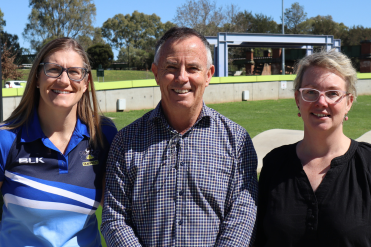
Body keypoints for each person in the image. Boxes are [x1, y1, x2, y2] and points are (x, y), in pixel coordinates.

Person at [101, 27, 258, 246]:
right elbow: (114, 219)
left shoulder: (237, 141)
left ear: (209, 74)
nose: (181, 77)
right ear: (156, 73)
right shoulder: (126, 142)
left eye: (193, 68)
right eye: (171, 67)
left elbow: (242, 216)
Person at [0, 37, 117, 246]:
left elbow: (119, 211)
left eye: (74, 72)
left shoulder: (103, 135)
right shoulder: (6, 139)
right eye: (53, 69)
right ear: (37, 77)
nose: (63, 80)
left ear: (86, 83)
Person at [254, 50, 371, 246]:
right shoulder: (275, 164)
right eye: (310, 92)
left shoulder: (367, 165)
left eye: (333, 93)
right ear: (297, 100)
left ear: (349, 102)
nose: (321, 102)